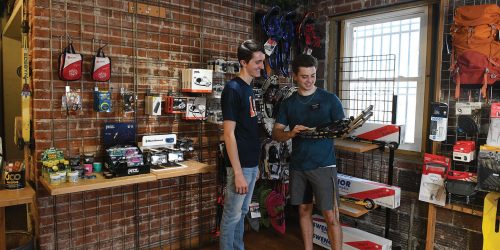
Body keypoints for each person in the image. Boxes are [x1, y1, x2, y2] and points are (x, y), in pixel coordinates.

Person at [272, 54, 344, 250]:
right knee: (304, 210)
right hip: (299, 166)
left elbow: (342, 128)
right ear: (295, 76)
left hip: (323, 165)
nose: (309, 80)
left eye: (313, 75)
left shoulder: (330, 99)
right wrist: (291, 133)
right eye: (304, 76)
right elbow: (276, 133)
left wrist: (331, 130)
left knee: (331, 215)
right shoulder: (288, 103)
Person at [219, 39, 265, 250]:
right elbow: (228, 134)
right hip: (240, 166)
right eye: (257, 62)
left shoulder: (248, 88)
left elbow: (248, 130)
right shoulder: (233, 89)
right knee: (231, 216)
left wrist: (254, 166)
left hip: (250, 164)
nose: (261, 66)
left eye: (262, 61)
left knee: (242, 213)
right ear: (243, 62)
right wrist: (238, 172)